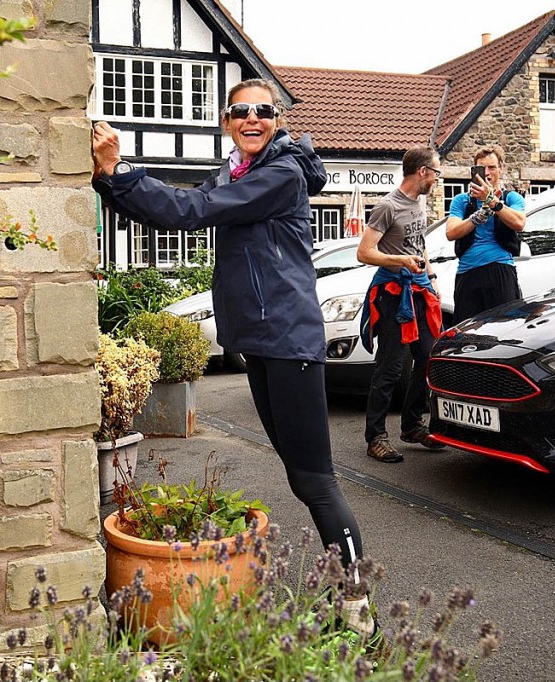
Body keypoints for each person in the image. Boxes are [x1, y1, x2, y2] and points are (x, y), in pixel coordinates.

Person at [91, 78, 378, 639]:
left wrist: (118, 171)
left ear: (278, 120)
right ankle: (346, 597)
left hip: (290, 340)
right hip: (263, 342)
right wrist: (113, 178)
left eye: (263, 112)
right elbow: (179, 201)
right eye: (240, 112)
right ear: (226, 121)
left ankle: (360, 612)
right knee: (301, 476)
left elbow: (192, 210)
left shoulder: (280, 174)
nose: (252, 119)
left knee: (316, 478)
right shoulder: (237, 171)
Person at [357, 146, 445, 464]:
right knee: (392, 365)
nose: (437, 178)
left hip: (419, 290)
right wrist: (399, 260)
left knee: (427, 357)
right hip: (392, 292)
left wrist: (432, 280)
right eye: (436, 172)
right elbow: (364, 252)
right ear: (422, 172)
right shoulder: (387, 206)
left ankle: (411, 426)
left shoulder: (420, 202)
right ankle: (376, 437)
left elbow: (418, 246)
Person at [446, 145, 527, 322]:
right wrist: (477, 217)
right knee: (466, 334)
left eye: (492, 167)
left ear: (501, 169)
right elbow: (451, 232)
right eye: (482, 169)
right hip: (468, 272)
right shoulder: (462, 200)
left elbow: (519, 223)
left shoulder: (511, 197)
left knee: (506, 328)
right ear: (474, 171)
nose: (487, 174)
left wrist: (493, 202)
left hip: (500, 269)